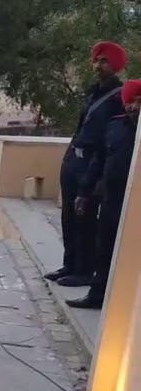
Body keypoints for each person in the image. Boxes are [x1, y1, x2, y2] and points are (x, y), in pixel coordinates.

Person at [47, 41, 125, 287]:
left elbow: (110, 137)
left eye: (105, 61)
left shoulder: (119, 97)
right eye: (97, 61)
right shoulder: (92, 92)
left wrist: (100, 176)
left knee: (86, 218)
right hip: (74, 160)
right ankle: (69, 264)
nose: (99, 66)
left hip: (93, 163)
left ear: (115, 65)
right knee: (69, 216)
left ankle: (83, 271)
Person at [68, 78, 140, 309]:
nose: (134, 106)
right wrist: (84, 192)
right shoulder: (114, 126)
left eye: (140, 101)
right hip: (111, 199)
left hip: (136, 203)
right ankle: (97, 295)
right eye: (131, 101)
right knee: (105, 249)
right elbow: (98, 161)